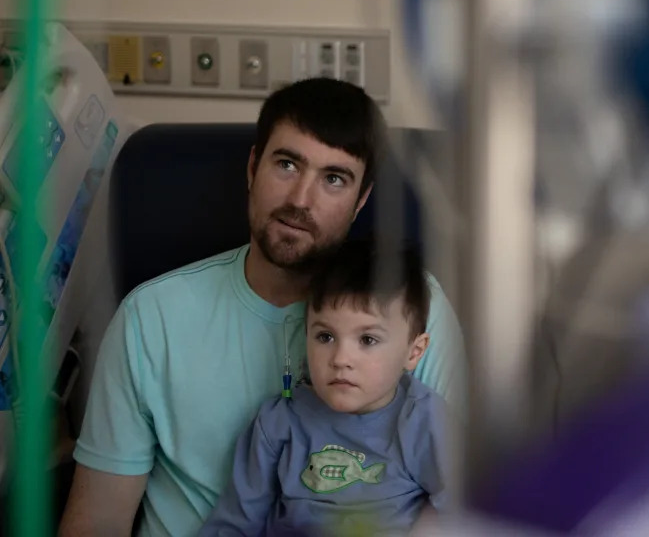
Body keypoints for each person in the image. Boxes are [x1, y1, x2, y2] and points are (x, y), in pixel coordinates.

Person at [59, 78, 467, 537]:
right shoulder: (150, 318)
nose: (300, 200)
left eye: (334, 178)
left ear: (361, 201)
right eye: (288, 164)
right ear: (253, 168)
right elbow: (97, 521)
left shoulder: (410, 307)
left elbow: (469, 498)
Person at [200, 241, 454, 536]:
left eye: (368, 340)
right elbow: (234, 524)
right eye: (325, 337)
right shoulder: (279, 423)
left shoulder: (425, 421)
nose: (341, 359)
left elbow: (471, 512)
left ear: (414, 352)